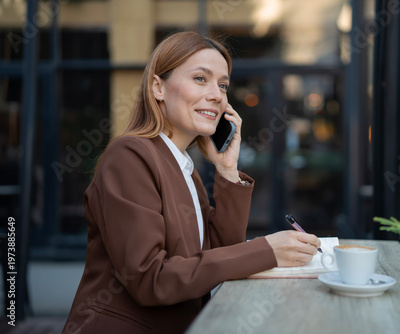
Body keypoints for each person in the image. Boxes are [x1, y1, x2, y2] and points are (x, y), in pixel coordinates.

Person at [62, 31, 320, 334]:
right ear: (158, 87)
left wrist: (227, 169)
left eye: (222, 85)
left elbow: (220, 254)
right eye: (201, 79)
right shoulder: (129, 157)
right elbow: (149, 279)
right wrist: (267, 250)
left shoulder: (184, 168)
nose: (217, 94)